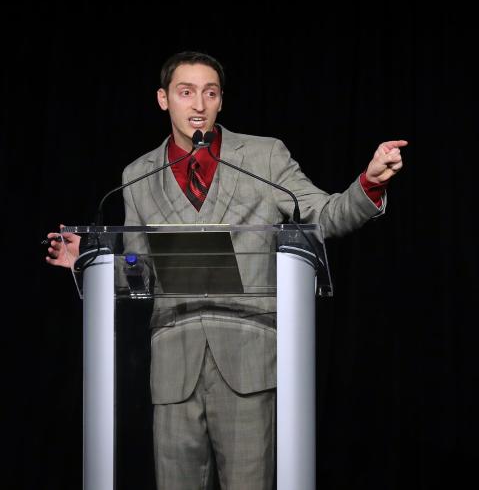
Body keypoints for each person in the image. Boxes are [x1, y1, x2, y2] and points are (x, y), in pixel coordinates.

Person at [45, 51, 407, 489]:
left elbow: (323, 217)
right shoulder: (137, 175)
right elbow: (141, 274)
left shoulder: (263, 156)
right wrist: (91, 261)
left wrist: (369, 183)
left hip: (247, 365)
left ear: (220, 102)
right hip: (174, 372)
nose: (198, 104)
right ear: (164, 100)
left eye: (209, 93)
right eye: (186, 92)